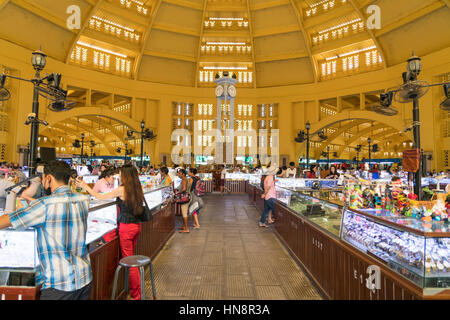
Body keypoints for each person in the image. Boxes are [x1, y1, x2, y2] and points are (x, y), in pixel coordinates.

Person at [0, 160, 92, 300]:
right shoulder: (83, 199)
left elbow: (9, 220)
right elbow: (55, 206)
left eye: (43, 178)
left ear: (48, 178)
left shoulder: (44, 205)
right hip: (84, 278)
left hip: (60, 284)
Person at [79, 164, 146, 300]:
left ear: (125, 175)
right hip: (136, 226)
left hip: (126, 228)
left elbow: (100, 197)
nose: (118, 175)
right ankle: (133, 290)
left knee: (130, 262)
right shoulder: (138, 187)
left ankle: (137, 295)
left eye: (120, 173)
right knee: (131, 257)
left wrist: (86, 187)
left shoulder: (122, 190)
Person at [176, 168, 192, 233]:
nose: (178, 174)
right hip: (188, 196)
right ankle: (184, 226)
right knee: (184, 213)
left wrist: (178, 192)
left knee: (184, 213)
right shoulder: (186, 179)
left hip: (184, 197)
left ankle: (186, 229)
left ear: (183, 174)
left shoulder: (183, 180)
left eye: (179, 173)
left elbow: (184, 189)